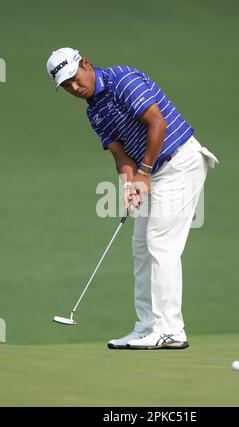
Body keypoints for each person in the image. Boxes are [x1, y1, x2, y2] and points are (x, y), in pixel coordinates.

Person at [46, 47, 218, 350]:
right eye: (66, 86)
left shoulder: (123, 79)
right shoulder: (93, 110)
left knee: (160, 244)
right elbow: (120, 154)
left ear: (85, 64)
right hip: (151, 171)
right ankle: (146, 327)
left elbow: (158, 123)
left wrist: (145, 174)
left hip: (179, 162)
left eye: (74, 78)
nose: (74, 87)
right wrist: (129, 185)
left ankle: (171, 330)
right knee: (141, 248)